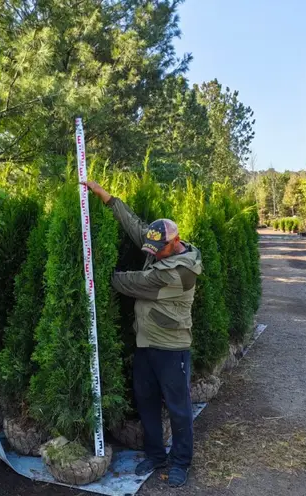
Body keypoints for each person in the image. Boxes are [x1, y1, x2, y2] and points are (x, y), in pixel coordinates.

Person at [83, 180, 202, 488]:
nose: (150, 253)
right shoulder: (162, 247)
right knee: (145, 399)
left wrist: (88, 267)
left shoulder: (178, 272)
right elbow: (137, 227)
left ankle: (180, 461)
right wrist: (108, 199)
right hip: (145, 343)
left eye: (156, 250)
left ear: (174, 244)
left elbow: (128, 283)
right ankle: (155, 454)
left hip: (171, 347)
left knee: (178, 408)